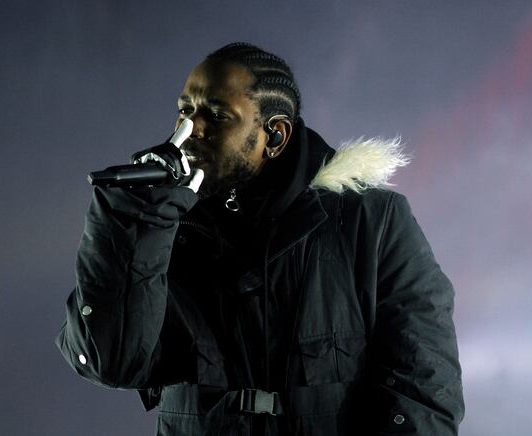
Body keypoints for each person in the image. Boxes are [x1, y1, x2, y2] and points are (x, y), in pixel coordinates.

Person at [56, 42, 464, 435]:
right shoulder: (162, 224)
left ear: (275, 135)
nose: (189, 129)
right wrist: (135, 225)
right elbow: (109, 362)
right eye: (185, 111)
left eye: (216, 115)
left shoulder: (369, 221)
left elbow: (423, 390)